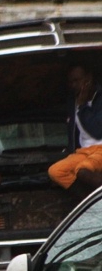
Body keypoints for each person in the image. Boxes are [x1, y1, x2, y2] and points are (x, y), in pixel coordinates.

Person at [46, 64, 102, 194]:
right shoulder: (72, 101)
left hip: (100, 150)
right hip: (83, 151)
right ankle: (89, 203)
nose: (73, 85)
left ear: (89, 78)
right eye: (71, 82)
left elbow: (96, 131)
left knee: (82, 170)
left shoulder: (99, 99)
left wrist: (82, 106)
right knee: (55, 171)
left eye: (77, 80)